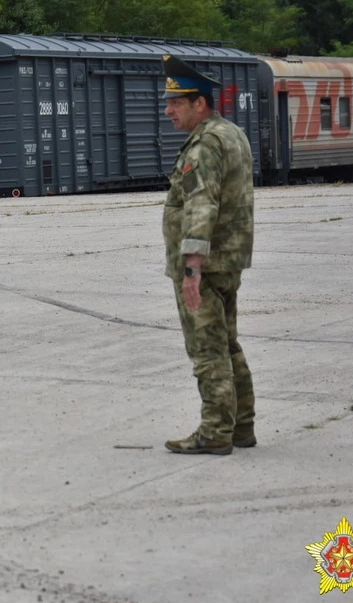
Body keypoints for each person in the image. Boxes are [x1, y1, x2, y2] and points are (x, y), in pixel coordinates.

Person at [159, 54, 256, 456]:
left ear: (200, 103)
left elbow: (202, 203)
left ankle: (216, 429)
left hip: (208, 264)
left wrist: (191, 268)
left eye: (176, 103)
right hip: (229, 259)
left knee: (207, 347)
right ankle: (241, 426)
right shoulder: (231, 133)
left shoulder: (204, 144)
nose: (168, 111)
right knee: (227, 343)